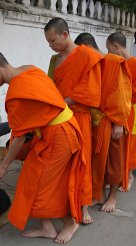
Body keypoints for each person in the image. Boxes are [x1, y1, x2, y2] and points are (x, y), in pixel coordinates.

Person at [0, 48, 86, 244]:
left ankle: (70, 222)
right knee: (31, 177)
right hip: (57, 129)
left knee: (39, 184)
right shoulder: (30, 70)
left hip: (61, 135)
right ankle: (47, 227)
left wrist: (3, 166)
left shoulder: (16, 93)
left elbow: (19, 137)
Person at [45, 18, 102, 224]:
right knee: (62, 162)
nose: (50, 45)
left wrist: (62, 103)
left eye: (52, 40)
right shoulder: (55, 60)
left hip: (78, 115)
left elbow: (90, 91)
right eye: (48, 42)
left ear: (65, 35)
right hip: (58, 118)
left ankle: (84, 207)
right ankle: (63, 204)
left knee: (82, 161)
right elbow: (50, 85)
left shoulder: (88, 56)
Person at [75, 32, 131, 211]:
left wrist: (119, 123)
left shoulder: (113, 62)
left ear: (87, 48)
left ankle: (112, 197)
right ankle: (99, 195)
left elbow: (122, 93)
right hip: (95, 121)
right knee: (98, 162)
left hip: (113, 121)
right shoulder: (91, 64)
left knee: (114, 161)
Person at [104, 32, 136, 192]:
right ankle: (116, 175)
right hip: (116, 109)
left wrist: (120, 98)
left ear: (116, 46)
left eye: (109, 49)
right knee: (116, 146)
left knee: (130, 144)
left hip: (130, 110)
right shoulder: (115, 62)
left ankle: (129, 175)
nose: (109, 53)